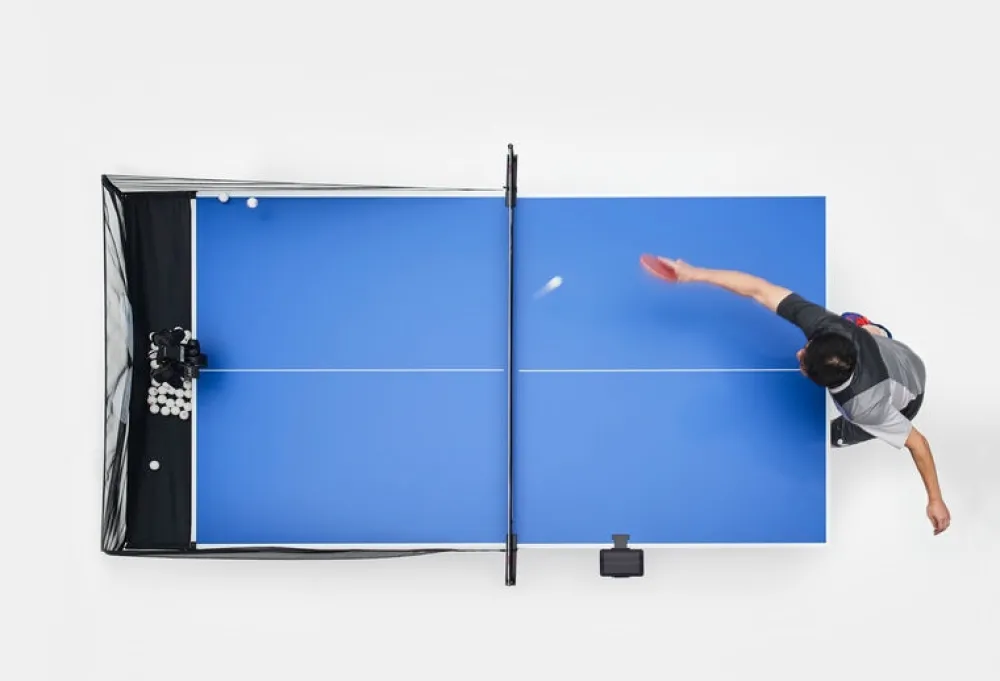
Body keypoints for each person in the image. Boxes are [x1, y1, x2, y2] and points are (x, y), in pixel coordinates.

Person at [643, 255, 951, 535]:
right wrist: (693, 273)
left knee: (828, 435)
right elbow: (758, 290)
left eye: (803, 361)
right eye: (807, 348)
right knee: (848, 320)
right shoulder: (829, 326)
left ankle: (870, 335)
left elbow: (918, 444)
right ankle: (868, 329)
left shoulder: (864, 408)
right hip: (898, 355)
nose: (798, 353)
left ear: (819, 382)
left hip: (907, 395)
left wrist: (935, 499)